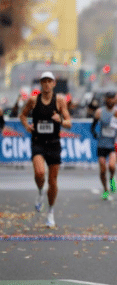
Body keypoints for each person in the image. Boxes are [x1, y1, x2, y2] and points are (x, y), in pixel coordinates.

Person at [19, 71, 72, 228]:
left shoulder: (60, 100)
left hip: (54, 143)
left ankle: (50, 212)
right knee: (40, 173)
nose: (47, 84)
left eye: (49, 81)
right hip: (38, 142)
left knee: (53, 181)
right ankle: (40, 191)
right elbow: (22, 115)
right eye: (44, 81)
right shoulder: (33, 100)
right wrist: (27, 126)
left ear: (54, 84)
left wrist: (60, 120)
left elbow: (69, 122)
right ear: (41, 84)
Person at [91, 92, 117, 200]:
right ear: (106, 99)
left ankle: (112, 178)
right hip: (102, 144)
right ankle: (105, 189)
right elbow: (93, 126)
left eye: (113, 98)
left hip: (113, 143)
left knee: (111, 166)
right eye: (109, 98)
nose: (111, 101)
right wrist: (94, 133)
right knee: (102, 169)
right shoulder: (99, 112)